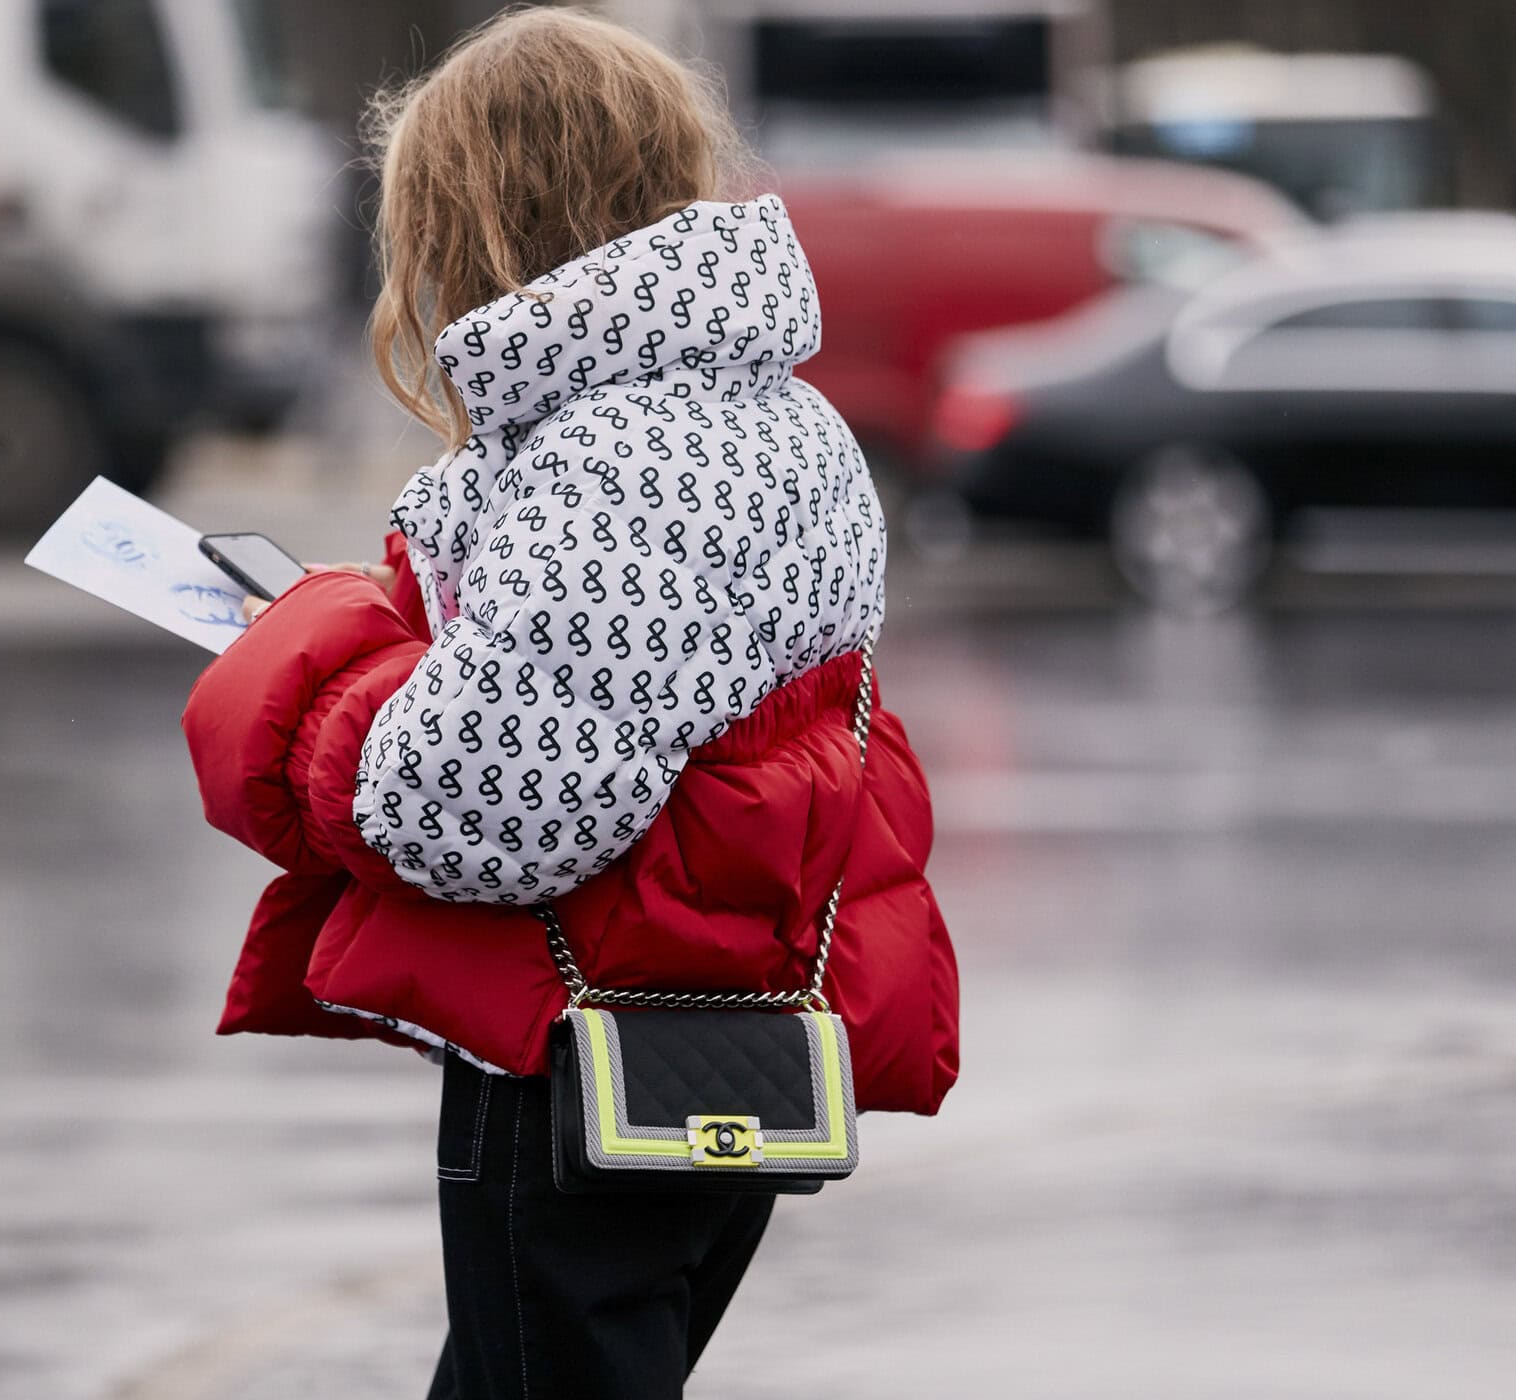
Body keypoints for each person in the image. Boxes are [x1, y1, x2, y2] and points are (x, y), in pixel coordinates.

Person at [180, 9, 959, 1397]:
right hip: (724, 1032)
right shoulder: (781, 418)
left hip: (588, 1059)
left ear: (487, 220)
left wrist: (313, 679)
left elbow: (489, 804)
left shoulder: (621, 452)